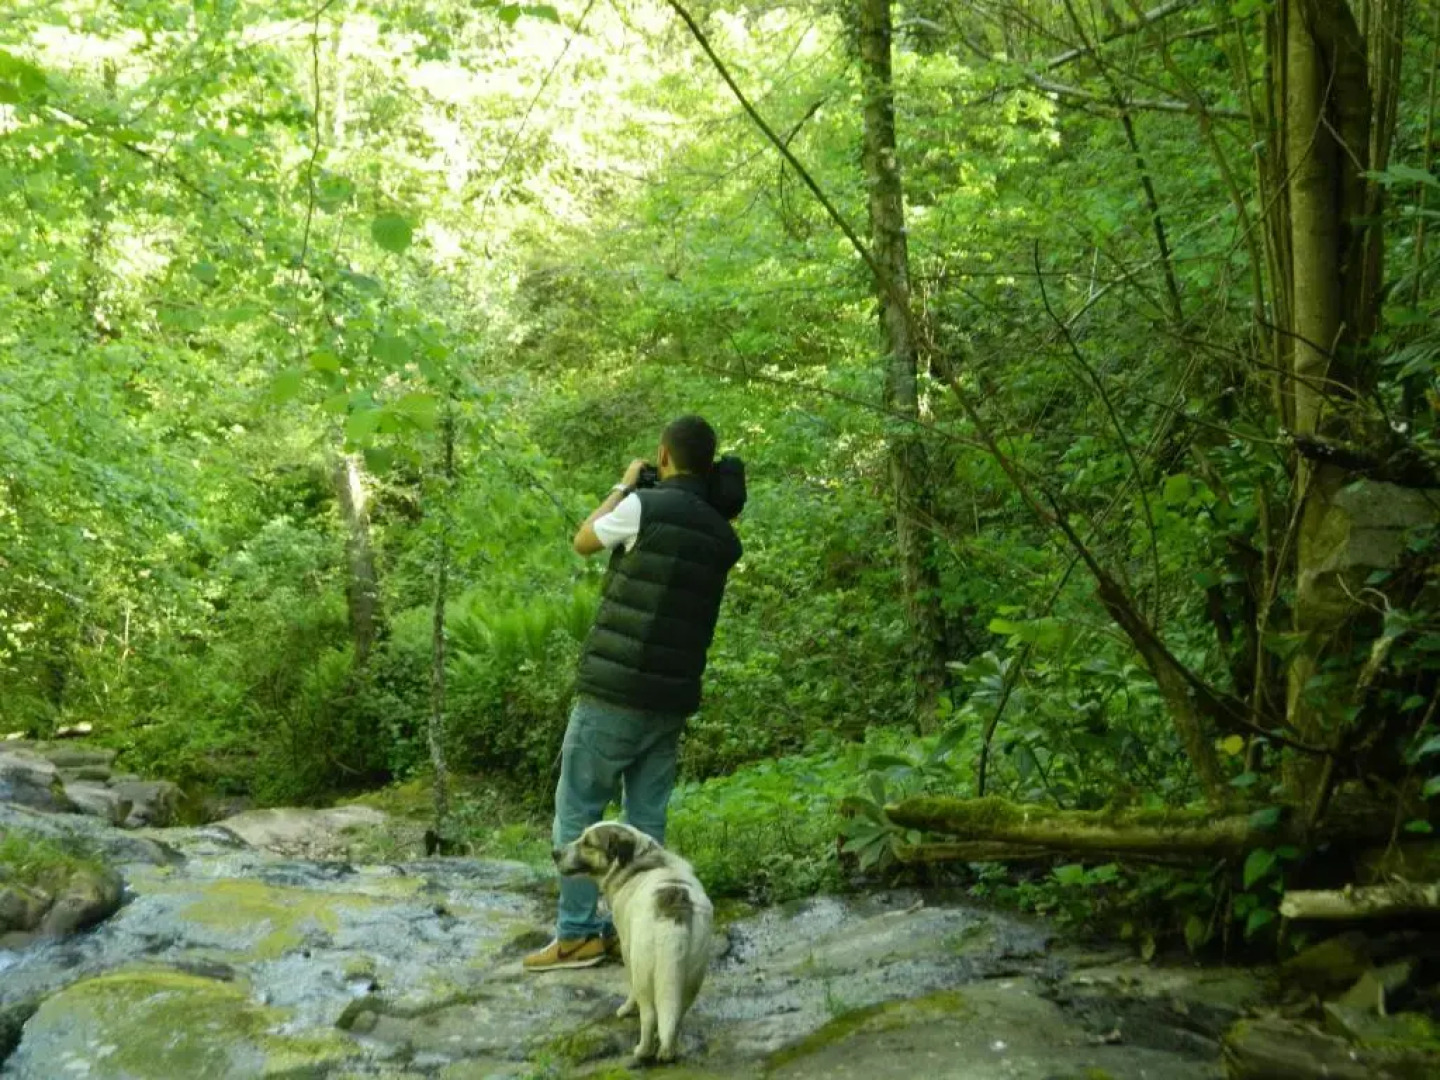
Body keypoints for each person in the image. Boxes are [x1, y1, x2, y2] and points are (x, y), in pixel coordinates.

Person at [523, 415, 744, 972]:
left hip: (613, 690)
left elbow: (583, 540)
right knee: (647, 821)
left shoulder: (644, 506)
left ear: (664, 457)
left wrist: (624, 484)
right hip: (670, 698)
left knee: (578, 809)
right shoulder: (723, 535)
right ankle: (639, 934)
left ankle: (577, 935)